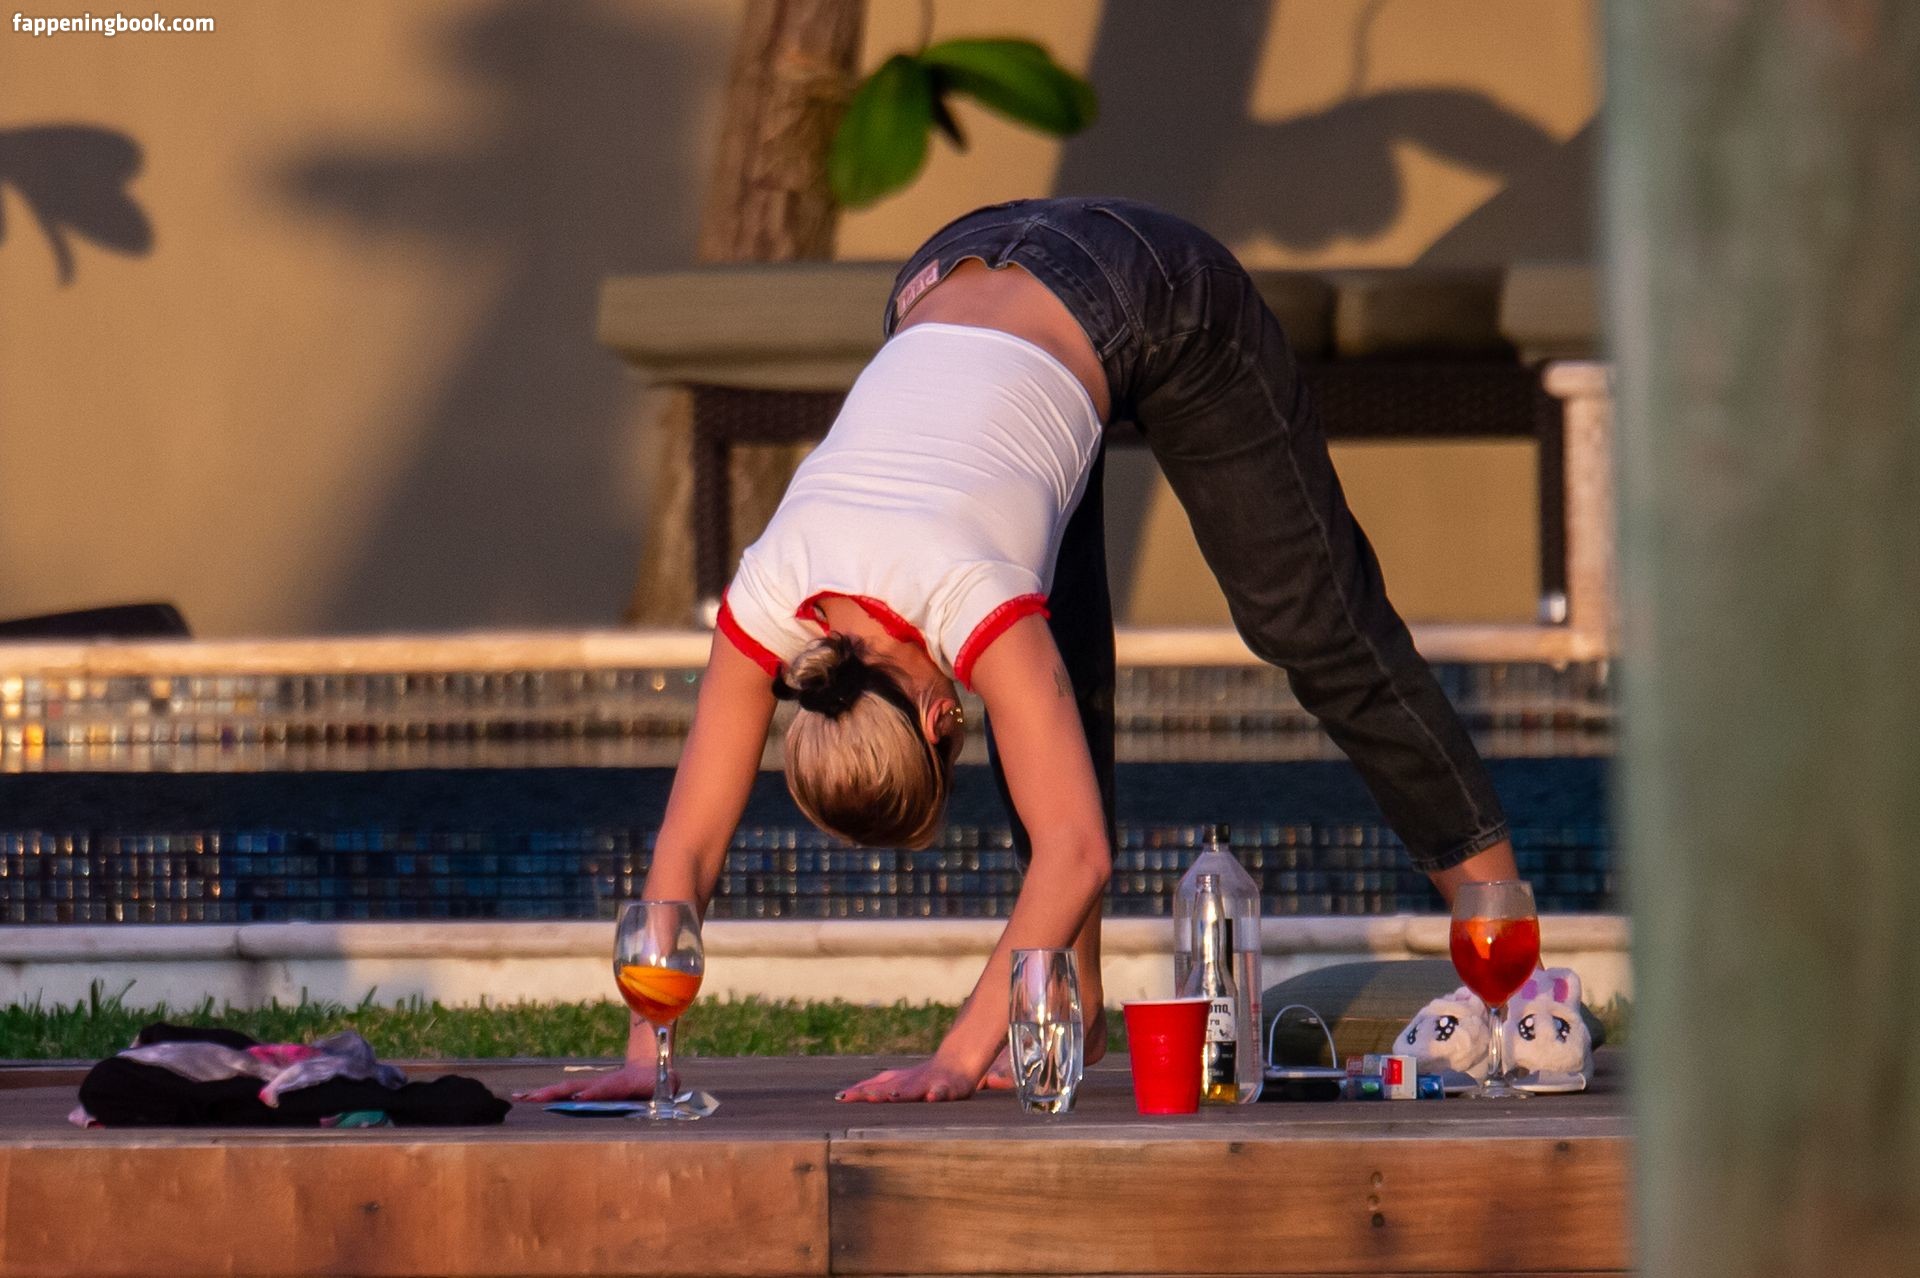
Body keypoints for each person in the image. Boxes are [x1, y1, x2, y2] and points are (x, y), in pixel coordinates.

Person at [518, 197, 1518, 1106]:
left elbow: (1077, 850)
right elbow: (688, 847)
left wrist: (957, 1056)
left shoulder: (970, 593)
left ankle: (1512, 962)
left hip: (1152, 291)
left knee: (1316, 626)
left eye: (955, 736)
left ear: (938, 717)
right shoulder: (772, 592)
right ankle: (1068, 1004)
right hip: (949, 264)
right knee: (1052, 691)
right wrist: (648, 1049)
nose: (966, 713)